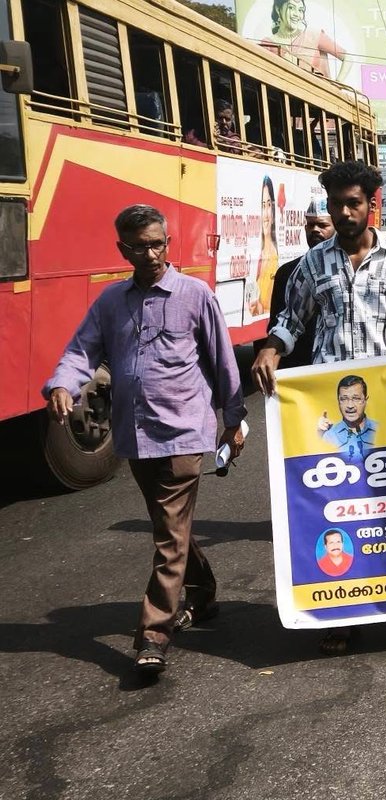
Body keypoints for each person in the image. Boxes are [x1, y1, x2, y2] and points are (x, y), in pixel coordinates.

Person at [44, 204, 246, 677]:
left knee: (168, 532)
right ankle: (203, 590)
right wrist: (61, 384)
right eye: (140, 246)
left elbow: (222, 363)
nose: (152, 253)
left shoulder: (195, 295)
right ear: (123, 249)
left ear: (168, 243)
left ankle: (154, 634)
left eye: (159, 243)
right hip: (135, 436)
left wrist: (234, 421)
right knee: (170, 527)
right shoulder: (111, 302)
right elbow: (81, 351)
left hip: (183, 432)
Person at [252, 161, 386, 656]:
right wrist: (271, 347)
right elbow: (293, 318)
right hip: (330, 408)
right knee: (336, 508)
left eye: (353, 203)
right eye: (337, 204)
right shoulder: (312, 265)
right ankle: (341, 608)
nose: (345, 212)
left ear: (372, 203)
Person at [267, 195, 335, 369]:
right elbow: (279, 324)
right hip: (299, 367)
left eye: (322, 225)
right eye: (311, 225)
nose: (315, 230)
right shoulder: (287, 272)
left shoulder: (342, 270)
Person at [259, 0, 351, 82]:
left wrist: (337, 84)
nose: (296, 14)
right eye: (291, 8)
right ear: (278, 9)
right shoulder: (267, 44)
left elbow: (347, 57)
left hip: (318, 97)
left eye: (300, 10)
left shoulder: (313, 35)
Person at [318, 374, 376, 460]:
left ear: (365, 400)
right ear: (338, 401)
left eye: (356, 398)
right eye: (344, 399)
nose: (350, 405)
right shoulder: (329, 437)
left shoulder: (381, 430)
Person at [248, 175, 280, 318]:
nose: (266, 214)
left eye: (269, 205)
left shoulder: (275, 257)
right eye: (262, 205)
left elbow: (273, 309)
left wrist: (260, 308)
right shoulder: (260, 254)